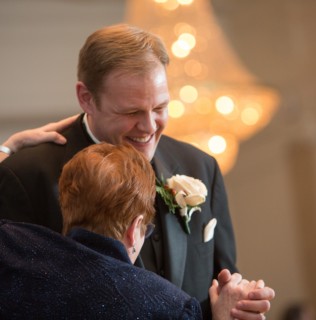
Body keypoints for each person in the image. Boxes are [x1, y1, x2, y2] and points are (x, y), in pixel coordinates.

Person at [0, 23, 274, 319]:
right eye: (131, 112)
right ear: (86, 98)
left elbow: (221, 283)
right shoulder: (26, 176)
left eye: (160, 107)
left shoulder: (200, 166)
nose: (149, 127)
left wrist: (237, 304)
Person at [0, 143, 271, 319]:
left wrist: (8, 149)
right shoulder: (170, 307)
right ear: (134, 228)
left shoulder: (12, 247)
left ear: (66, 204)